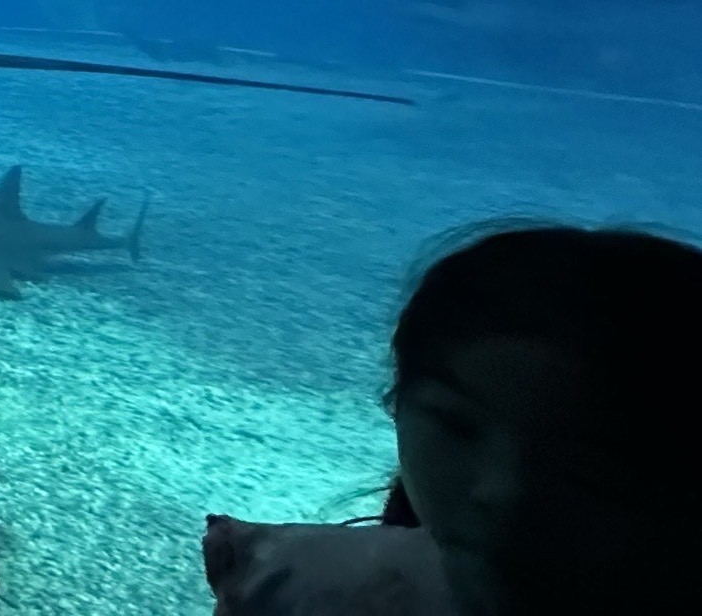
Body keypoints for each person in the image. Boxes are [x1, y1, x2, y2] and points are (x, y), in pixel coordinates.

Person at [203, 223, 702, 616]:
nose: (502, 491)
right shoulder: (297, 592)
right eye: (456, 426)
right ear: (396, 406)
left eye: (591, 465)